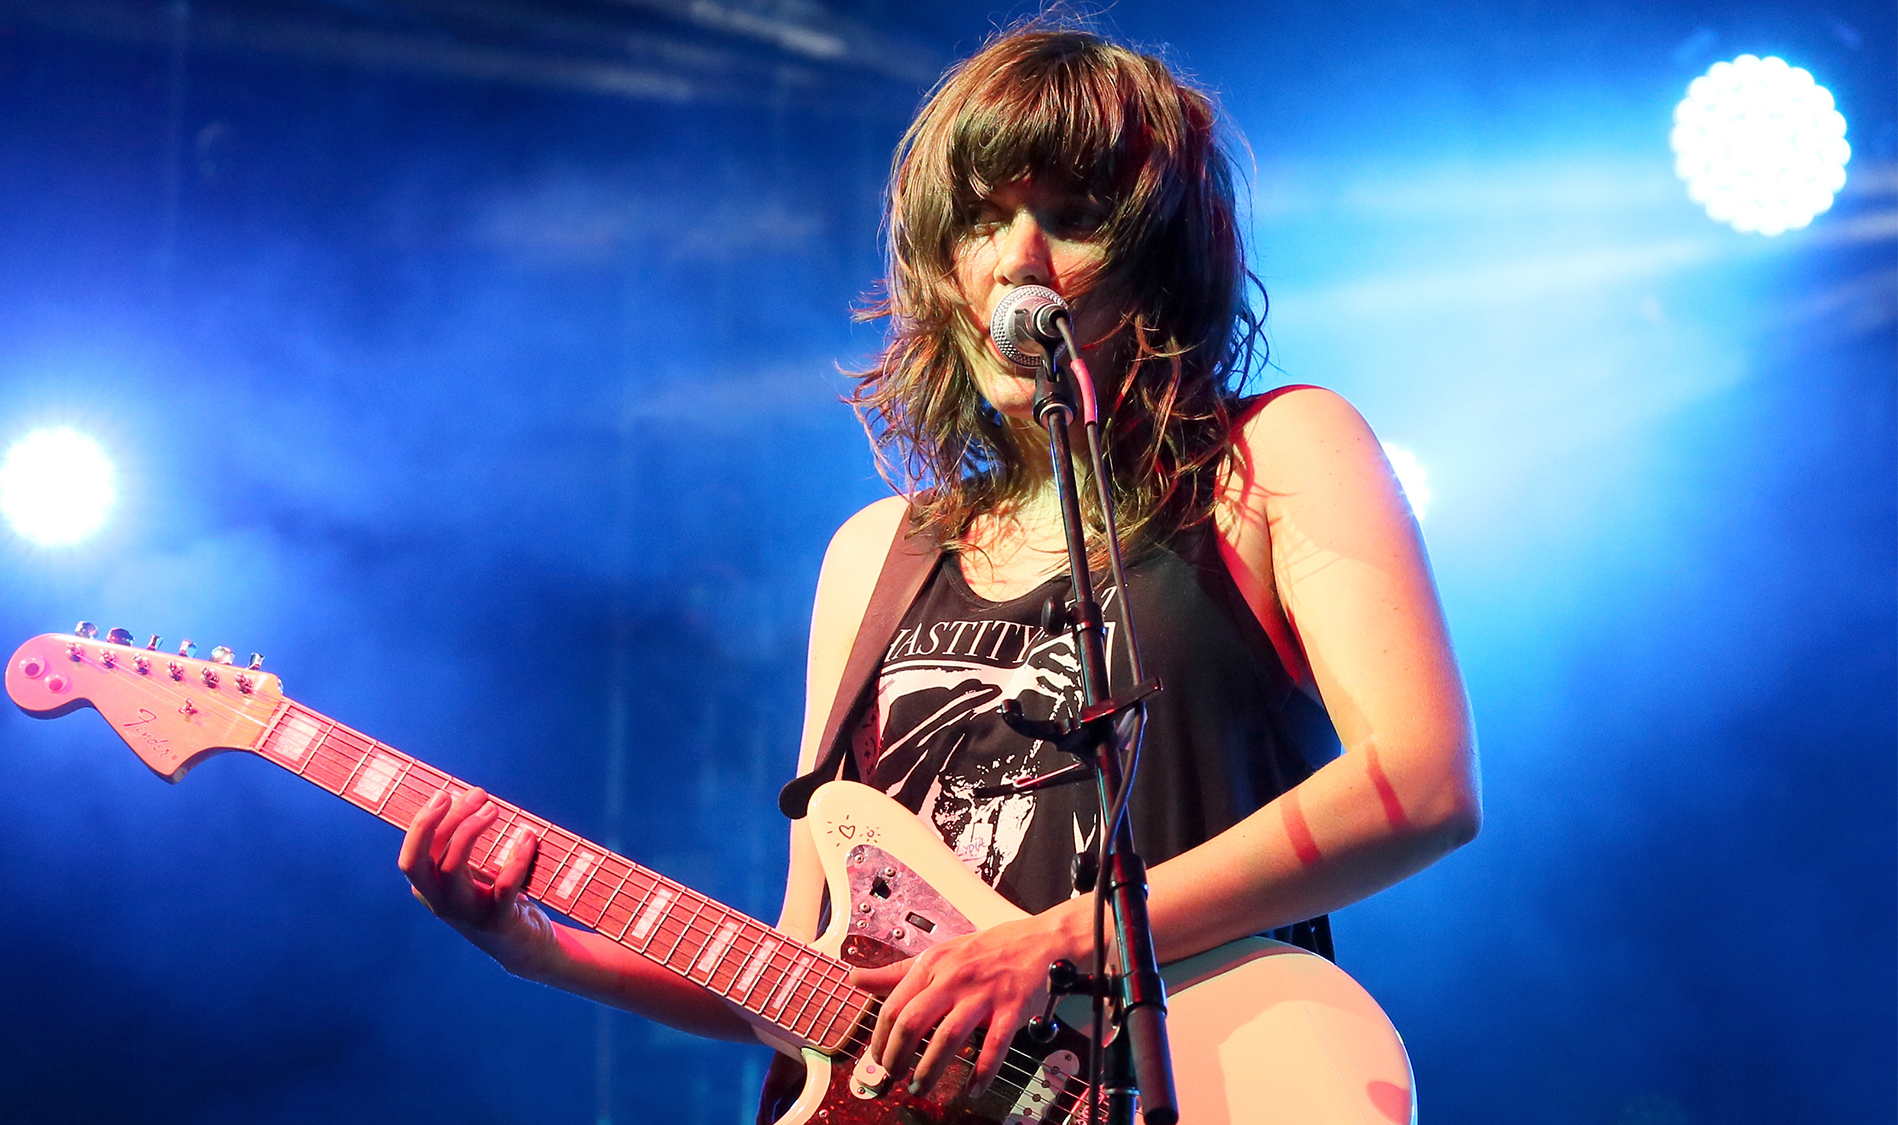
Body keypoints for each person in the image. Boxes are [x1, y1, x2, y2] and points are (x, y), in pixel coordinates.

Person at [400, 21, 1479, 1119]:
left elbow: (1424, 783)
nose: (1018, 259)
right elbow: (806, 968)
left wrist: (1058, 941)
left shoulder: (1270, 455)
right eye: (982, 218)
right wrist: (542, 950)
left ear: (1161, 259)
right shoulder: (877, 554)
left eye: (1072, 216)